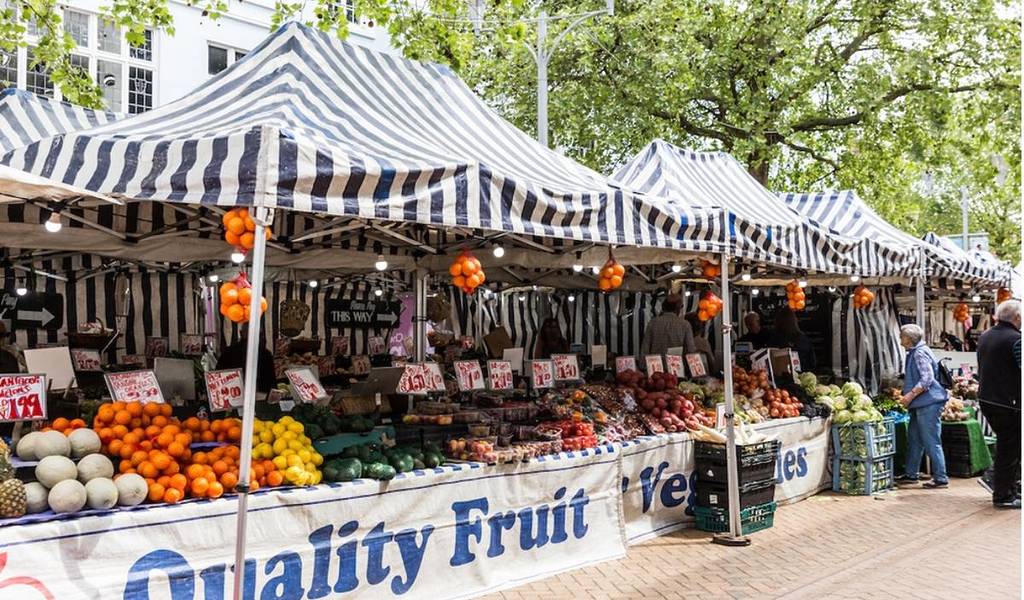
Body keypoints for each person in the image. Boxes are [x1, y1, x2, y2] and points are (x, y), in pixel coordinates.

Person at [976, 299, 1021, 508]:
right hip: (1008, 402)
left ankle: (1008, 488)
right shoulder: (1016, 340)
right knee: (1009, 449)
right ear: (1017, 317)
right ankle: (1003, 495)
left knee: (1007, 446)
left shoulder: (985, 336)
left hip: (987, 399)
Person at [895, 323, 949, 489]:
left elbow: (926, 380)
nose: (900, 339)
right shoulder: (916, 351)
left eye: (902, 336)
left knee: (931, 440)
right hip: (921, 403)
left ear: (909, 339)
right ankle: (911, 474)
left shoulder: (919, 353)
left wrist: (909, 396)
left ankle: (941, 478)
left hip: (929, 403)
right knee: (915, 439)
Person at [216, 328, 277, 394]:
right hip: (261, 396)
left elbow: (218, 376)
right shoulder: (265, 353)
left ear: (241, 333)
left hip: (233, 396)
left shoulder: (228, 352)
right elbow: (272, 381)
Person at [770, 307, 816, 371]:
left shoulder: (775, 338)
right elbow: (812, 362)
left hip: (781, 376)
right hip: (803, 375)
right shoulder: (803, 338)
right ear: (794, 320)